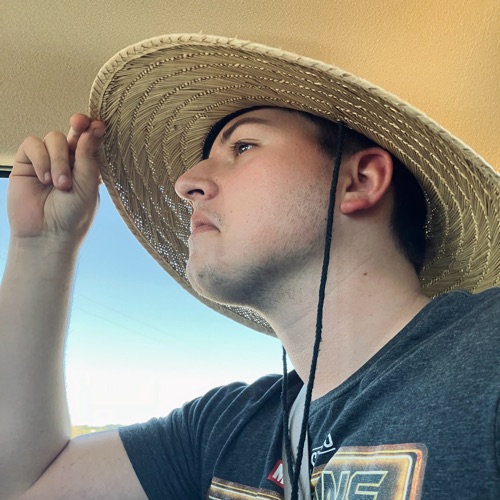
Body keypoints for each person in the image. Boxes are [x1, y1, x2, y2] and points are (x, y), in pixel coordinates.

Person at [0, 33, 498, 500]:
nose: (186, 184)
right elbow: (25, 484)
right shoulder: (224, 429)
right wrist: (42, 244)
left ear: (359, 181)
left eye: (243, 147)